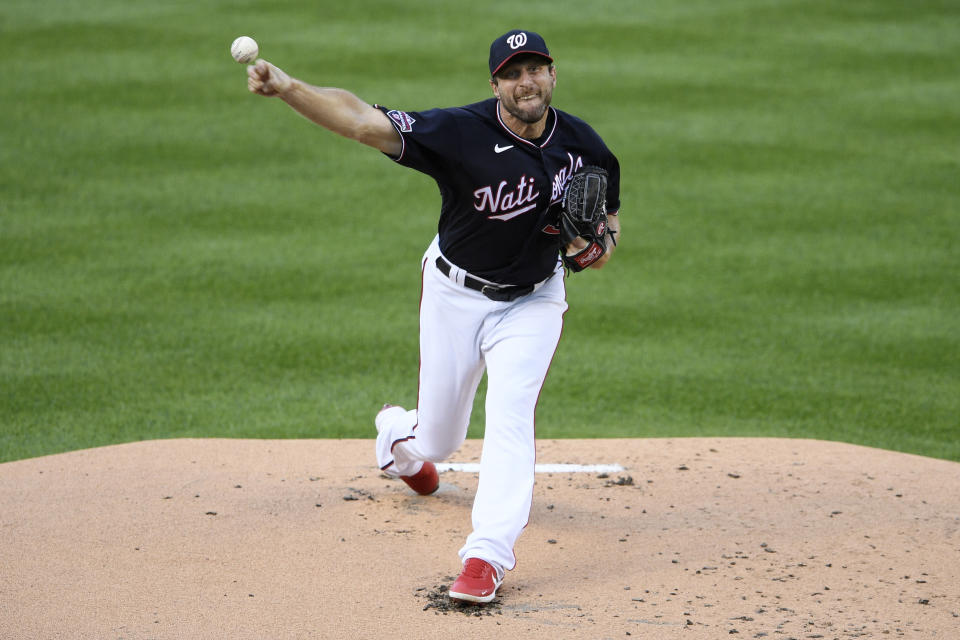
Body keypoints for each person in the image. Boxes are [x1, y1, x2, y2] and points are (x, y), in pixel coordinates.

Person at [246, 29, 621, 604]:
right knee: (440, 439)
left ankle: (485, 556)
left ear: (553, 75)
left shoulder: (584, 145)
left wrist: (597, 249)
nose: (527, 82)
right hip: (456, 295)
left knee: (511, 416)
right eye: (513, 73)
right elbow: (361, 121)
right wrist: (290, 88)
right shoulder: (460, 133)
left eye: (536, 69)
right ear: (495, 83)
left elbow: (608, 221)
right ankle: (399, 438)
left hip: (534, 300)